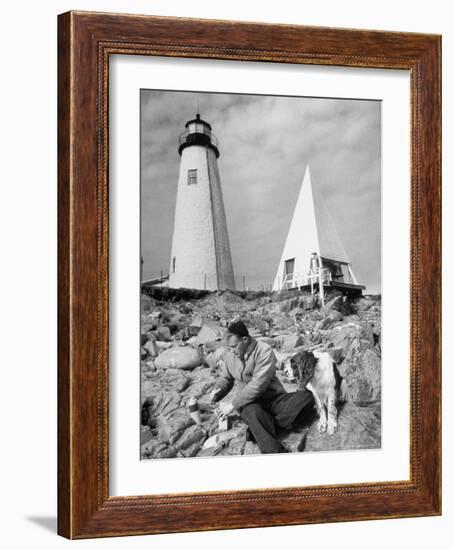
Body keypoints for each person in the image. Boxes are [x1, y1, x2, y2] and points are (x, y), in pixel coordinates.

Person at [210, 320, 315, 454]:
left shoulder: (264, 350)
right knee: (253, 413)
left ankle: (261, 428)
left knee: (306, 397)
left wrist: (232, 404)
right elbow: (226, 378)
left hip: (274, 399)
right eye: (229, 348)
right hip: (250, 404)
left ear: (245, 339)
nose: (231, 351)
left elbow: (258, 385)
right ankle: (275, 452)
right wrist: (217, 390)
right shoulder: (231, 356)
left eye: (234, 347)